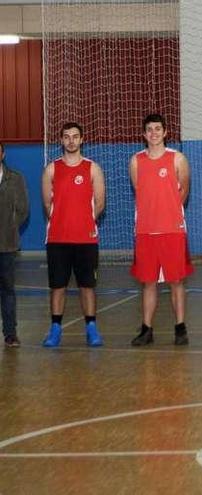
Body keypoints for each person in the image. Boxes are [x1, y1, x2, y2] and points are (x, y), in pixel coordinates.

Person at [129, 114, 193, 346]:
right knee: (148, 282)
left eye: (158, 129)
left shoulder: (178, 159)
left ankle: (180, 327)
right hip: (146, 231)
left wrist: (171, 214)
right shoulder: (136, 161)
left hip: (172, 230)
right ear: (144, 134)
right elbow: (139, 190)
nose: (154, 133)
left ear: (165, 132)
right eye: (150, 129)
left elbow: (183, 191)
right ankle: (147, 329)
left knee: (176, 280)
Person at [40, 122, 106, 347]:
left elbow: (99, 203)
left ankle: (91, 328)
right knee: (57, 286)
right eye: (66, 137)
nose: (71, 140)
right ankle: (55, 330)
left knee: (87, 286)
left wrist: (84, 221)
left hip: (86, 239)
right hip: (57, 240)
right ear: (61, 140)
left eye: (75, 136)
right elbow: (47, 204)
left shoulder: (92, 168)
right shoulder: (51, 169)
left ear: (82, 139)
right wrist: (62, 221)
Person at [0, 142, 29, 348]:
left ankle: (10, 333)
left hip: (6, 245)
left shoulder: (15, 178)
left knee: (7, 290)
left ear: (2, 154)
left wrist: (9, 227)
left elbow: (23, 210)